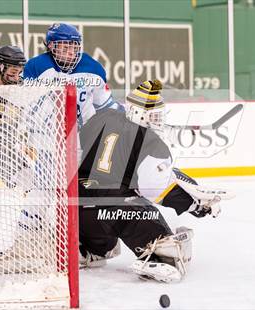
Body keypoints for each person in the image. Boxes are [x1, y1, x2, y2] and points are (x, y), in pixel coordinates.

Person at [77, 79, 234, 282]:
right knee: (141, 214)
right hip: (113, 210)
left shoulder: (102, 118)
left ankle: (92, 247)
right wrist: (194, 205)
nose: (158, 121)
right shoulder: (149, 141)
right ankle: (158, 256)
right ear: (139, 113)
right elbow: (157, 189)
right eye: (154, 116)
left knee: (109, 204)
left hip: (77, 210)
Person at [23, 23, 122, 126]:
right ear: (52, 46)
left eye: (74, 47)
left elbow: (105, 105)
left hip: (84, 135)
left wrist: (121, 115)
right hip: (45, 136)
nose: (71, 52)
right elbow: (25, 102)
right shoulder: (36, 67)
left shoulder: (93, 68)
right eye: (66, 48)